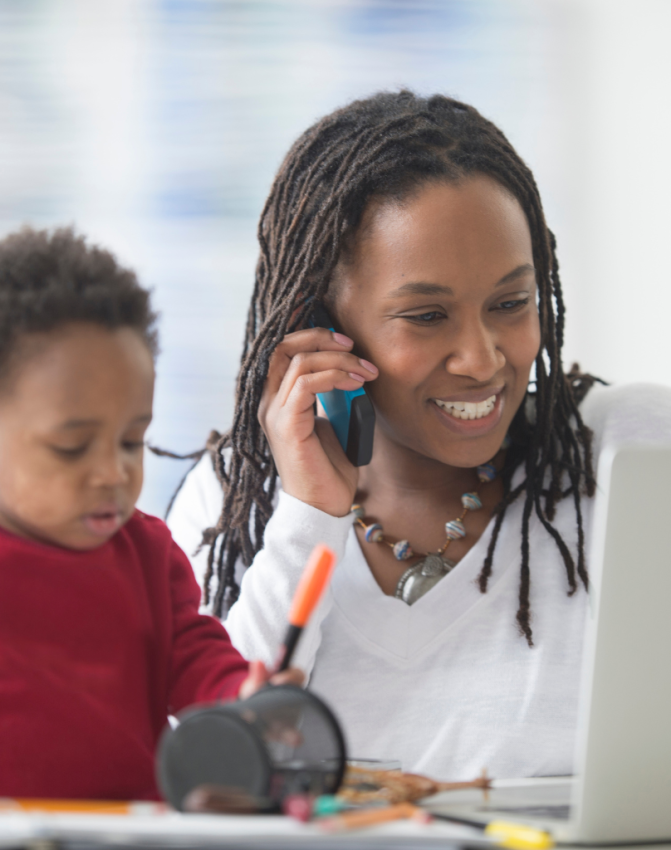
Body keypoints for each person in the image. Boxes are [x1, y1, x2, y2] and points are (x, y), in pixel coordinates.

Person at [168, 91, 671, 780]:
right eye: (428, 315)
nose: (483, 359)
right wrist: (309, 515)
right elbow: (212, 779)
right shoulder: (232, 504)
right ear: (321, 322)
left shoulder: (635, 455)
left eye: (511, 304)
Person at [0, 226, 299, 801]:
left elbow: (199, 664)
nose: (113, 473)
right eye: (72, 447)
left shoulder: (147, 555)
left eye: (131, 442)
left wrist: (246, 700)